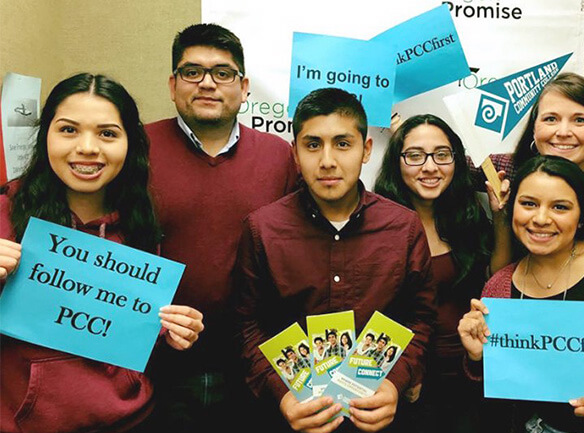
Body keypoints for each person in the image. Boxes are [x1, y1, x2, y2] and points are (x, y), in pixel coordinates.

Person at [0, 73, 204, 433]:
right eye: (68, 130)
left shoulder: (140, 226)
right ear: (45, 134)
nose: (88, 148)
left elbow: (128, 331)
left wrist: (172, 333)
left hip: (133, 420)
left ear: (130, 144)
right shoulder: (6, 215)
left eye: (107, 133)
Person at [236, 88, 436, 433]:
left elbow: (421, 318)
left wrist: (396, 382)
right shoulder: (262, 229)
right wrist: (282, 394)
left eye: (342, 144)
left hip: (378, 416)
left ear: (366, 150)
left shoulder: (403, 227)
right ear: (295, 153)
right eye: (313, 145)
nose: (327, 160)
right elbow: (246, 324)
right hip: (290, 419)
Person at [144, 23, 298, 430]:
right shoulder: (135, 149)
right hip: (155, 361)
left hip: (254, 360)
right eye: (192, 72)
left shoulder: (279, 156)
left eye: (223, 73)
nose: (207, 83)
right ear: (173, 84)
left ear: (244, 87)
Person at [458, 155, 584, 433]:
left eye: (560, 207)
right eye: (528, 204)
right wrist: (479, 358)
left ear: (581, 215)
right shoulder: (498, 288)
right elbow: (498, 401)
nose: (541, 219)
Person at [375, 113, 510, 433]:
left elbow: (497, 280)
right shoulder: (377, 222)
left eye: (442, 154)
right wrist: (403, 371)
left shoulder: (467, 215)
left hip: (469, 369)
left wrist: (499, 215)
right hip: (405, 376)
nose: (430, 167)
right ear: (397, 162)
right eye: (415, 156)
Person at [475, 72, 584, 246]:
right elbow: (450, 167)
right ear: (534, 129)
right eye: (551, 119)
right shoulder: (508, 170)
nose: (563, 132)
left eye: (580, 120)